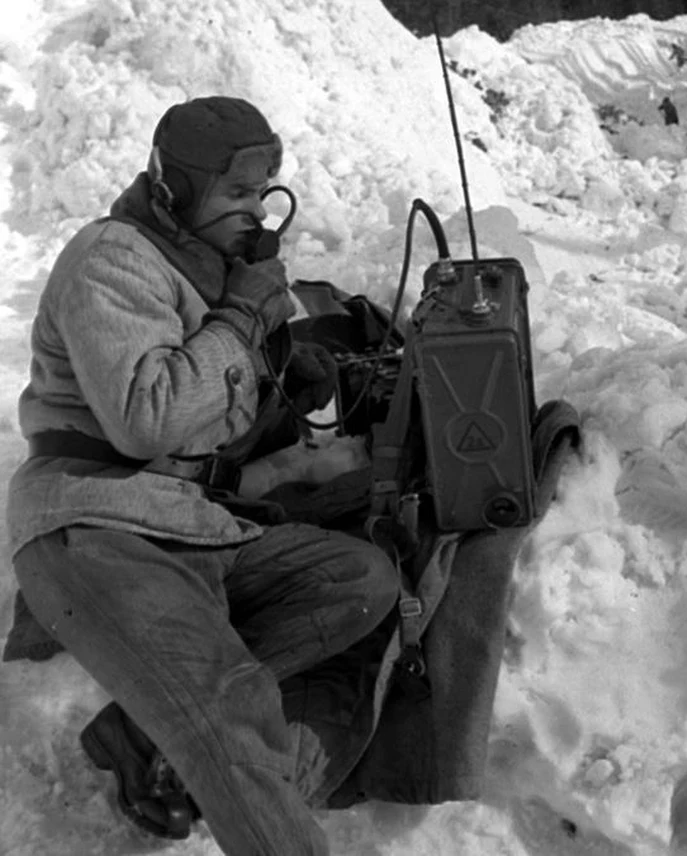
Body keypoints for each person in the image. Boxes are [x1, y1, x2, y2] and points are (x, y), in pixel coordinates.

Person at [0, 96, 407, 854]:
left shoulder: (204, 266)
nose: (255, 214)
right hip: (97, 522)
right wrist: (241, 325)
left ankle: (143, 726)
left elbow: (203, 426)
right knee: (235, 705)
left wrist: (279, 381)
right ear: (173, 190)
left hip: (183, 518)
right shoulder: (113, 258)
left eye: (262, 194)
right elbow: (146, 419)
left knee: (361, 581)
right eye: (235, 194)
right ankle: (210, 740)